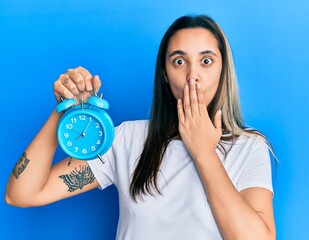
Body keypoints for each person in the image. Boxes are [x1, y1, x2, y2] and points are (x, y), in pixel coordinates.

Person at [5, 15, 276, 240]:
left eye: (206, 61)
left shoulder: (249, 148)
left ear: (222, 70)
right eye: (179, 61)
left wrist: (204, 152)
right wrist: (65, 110)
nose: (192, 75)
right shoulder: (126, 139)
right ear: (164, 74)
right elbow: (22, 194)